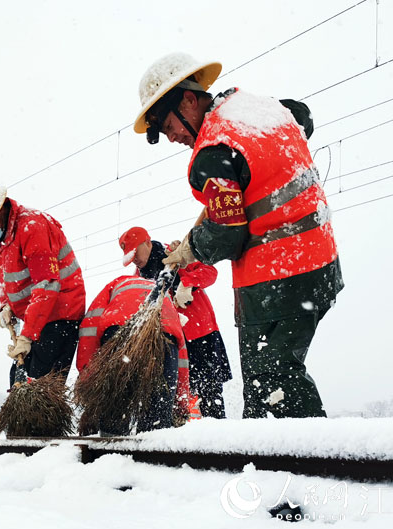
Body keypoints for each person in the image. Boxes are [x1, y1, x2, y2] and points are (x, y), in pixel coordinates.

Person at [133, 52, 343, 419]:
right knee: (276, 378)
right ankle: (297, 458)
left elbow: (227, 236)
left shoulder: (213, 156)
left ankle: (310, 463)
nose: (172, 138)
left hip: (278, 278)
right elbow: (302, 116)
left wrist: (192, 248)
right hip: (319, 264)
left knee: (270, 383)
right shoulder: (258, 110)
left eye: (169, 127)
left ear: (188, 99)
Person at [0, 185, 86, 386]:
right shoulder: (5, 240)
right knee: (18, 382)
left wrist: (27, 336)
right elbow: (10, 282)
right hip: (36, 320)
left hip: (59, 317)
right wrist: (6, 306)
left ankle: (42, 418)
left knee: (37, 386)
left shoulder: (31, 227)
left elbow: (47, 286)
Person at [119, 225, 232, 418]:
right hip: (172, 342)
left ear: (147, 242)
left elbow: (209, 272)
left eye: (136, 253)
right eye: (130, 257)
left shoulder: (176, 255)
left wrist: (187, 284)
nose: (135, 260)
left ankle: (216, 437)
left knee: (209, 393)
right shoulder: (139, 276)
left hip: (199, 334)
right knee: (179, 397)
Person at [76, 275, 195, 434]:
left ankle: (109, 450)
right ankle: (153, 450)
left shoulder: (115, 284)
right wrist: (181, 404)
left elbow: (89, 329)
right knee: (157, 420)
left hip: (119, 329)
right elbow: (181, 363)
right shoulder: (169, 307)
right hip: (165, 335)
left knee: (115, 408)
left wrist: (89, 379)